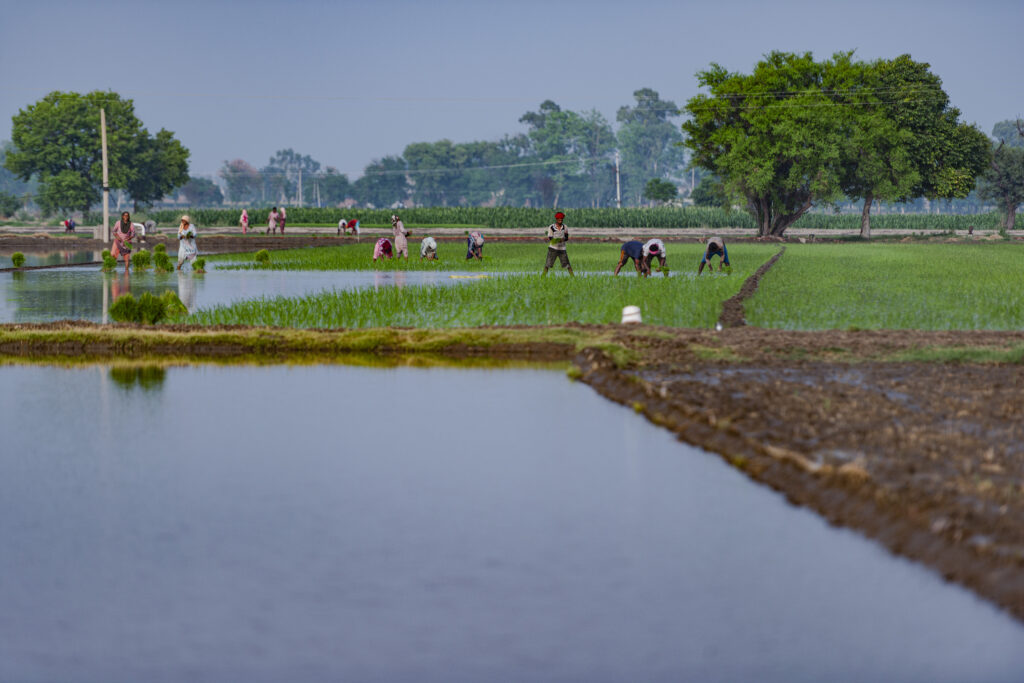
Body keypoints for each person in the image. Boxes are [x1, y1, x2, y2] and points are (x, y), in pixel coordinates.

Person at [542, 212, 574, 276]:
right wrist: (559, 240)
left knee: (567, 265)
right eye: (559, 220)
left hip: (562, 249)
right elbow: (551, 238)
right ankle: (542, 277)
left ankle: (573, 278)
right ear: (556, 219)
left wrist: (564, 239)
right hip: (553, 249)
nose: (560, 221)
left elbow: (567, 238)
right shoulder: (551, 227)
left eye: (561, 220)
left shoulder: (565, 227)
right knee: (548, 264)